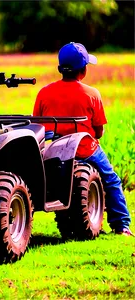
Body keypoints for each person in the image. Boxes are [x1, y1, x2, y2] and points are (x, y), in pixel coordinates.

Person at [33, 42, 133, 236]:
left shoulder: (44, 93)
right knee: (111, 180)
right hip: (85, 149)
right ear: (84, 70)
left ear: (60, 69)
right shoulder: (92, 94)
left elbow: (37, 125)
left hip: (54, 152)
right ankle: (122, 226)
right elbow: (99, 131)